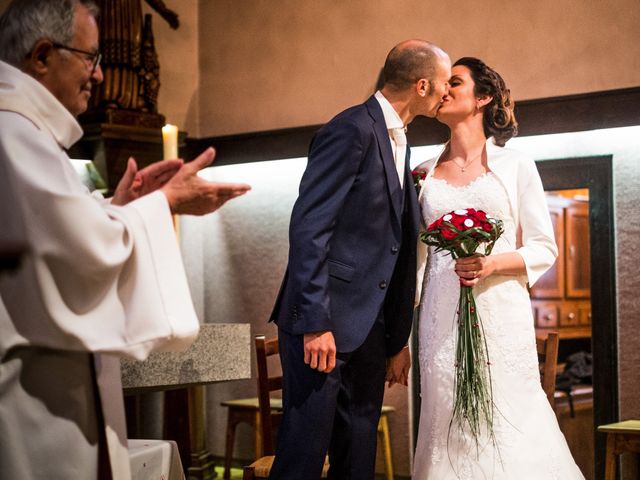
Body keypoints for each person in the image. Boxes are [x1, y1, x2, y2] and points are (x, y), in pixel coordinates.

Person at [0, 1, 250, 479]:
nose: (97, 74)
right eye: (90, 57)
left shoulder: (25, 134)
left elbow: (52, 242)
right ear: (42, 55)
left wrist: (118, 210)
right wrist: (164, 205)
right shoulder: (14, 135)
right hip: (33, 395)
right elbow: (78, 252)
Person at [268, 40, 451, 479]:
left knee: (357, 454)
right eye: (444, 83)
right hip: (324, 323)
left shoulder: (399, 141)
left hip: (369, 327)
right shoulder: (350, 128)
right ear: (422, 85)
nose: (447, 92)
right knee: (304, 455)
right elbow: (310, 226)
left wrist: (395, 340)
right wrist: (315, 323)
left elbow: (389, 246)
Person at [412, 57, 584, 479]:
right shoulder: (423, 172)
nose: (443, 90)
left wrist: (490, 263)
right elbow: (417, 261)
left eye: (455, 83)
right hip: (439, 317)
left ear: (483, 97)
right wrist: (401, 333)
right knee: (446, 416)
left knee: (510, 417)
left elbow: (544, 247)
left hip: (499, 314)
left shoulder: (516, 165)